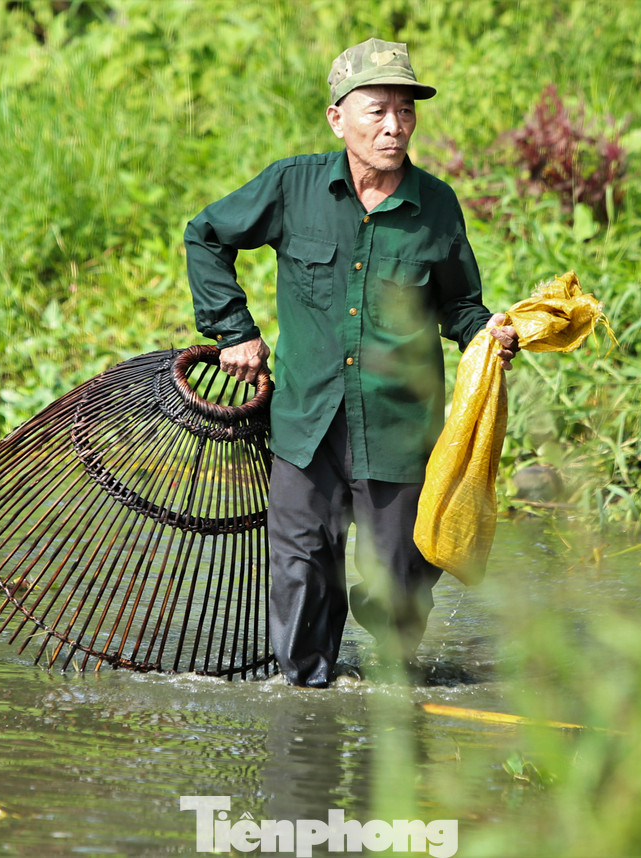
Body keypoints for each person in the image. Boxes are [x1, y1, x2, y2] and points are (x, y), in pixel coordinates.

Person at [184, 38, 518, 688]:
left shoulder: (435, 205)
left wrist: (489, 334)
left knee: (400, 579)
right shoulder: (294, 186)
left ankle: (387, 682)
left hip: (398, 428)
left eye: (405, 110)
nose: (395, 126)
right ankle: (306, 694)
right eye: (377, 111)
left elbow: (460, 306)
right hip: (306, 422)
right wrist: (234, 331)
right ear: (338, 119)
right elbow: (207, 235)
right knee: (302, 569)